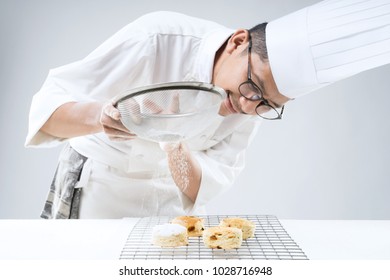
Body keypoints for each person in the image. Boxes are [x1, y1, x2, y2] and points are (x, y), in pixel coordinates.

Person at [25, 0, 390, 219]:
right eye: (254, 87)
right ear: (238, 41)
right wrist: (102, 117)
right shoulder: (155, 39)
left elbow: (201, 185)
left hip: (169, 203)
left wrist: (171, 141)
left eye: (267, 104)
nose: (248, 105)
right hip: (98, 188)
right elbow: (47, 106)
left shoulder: (251, 104)